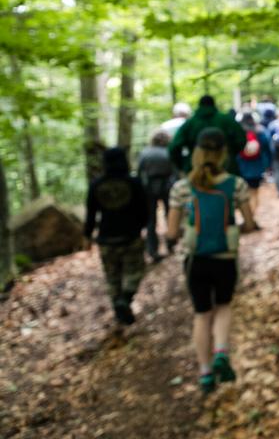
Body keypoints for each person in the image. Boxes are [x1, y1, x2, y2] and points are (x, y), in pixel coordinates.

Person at [167, 128, 257, 394]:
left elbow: (171, 233)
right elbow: (250, 224)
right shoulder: (236, 184)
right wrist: (234, 229)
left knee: (201, 314)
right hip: (225, 258)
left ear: (196, 152)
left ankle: (205, 373)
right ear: (223, 154)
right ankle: (221, 351)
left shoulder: (182, 188)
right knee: (224, 306)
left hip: (195, 260)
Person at [85, 147, 149, 326]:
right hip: (131, 236)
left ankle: (119, 307)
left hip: (106, 238)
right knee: (135, 270)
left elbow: (91, 214)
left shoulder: (96, 185)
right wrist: (140, 226)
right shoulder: (134, 182)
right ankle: (126, 299)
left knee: (112, 276)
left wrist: (87, 235)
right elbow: (144, 209)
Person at [168, 95, 246, 175]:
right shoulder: (227, 120)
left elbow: (174, 147)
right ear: (213, 104)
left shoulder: (190, 124)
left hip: (196, 171)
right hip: (226, 168)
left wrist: (184, 164)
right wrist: (230, 154)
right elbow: (241, 140)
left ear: (200, 105)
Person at [137, 131, 176, 262]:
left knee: (151, 220)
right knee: (170, 215)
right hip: (167, 186)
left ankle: (152, 250)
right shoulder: (169, 152)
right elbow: (175, 172)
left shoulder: (145, 152)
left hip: (149, 187)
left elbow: (139, 172)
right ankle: (171, 243)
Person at [236, 112, 272, 217]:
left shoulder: (239, 132)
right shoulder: (260, 131)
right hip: (257, 167)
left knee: (244, 194)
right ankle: (252, 215)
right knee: (254, 192)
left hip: (242, 167)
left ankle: (247, 218)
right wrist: (268, 166)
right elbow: (266, 149)